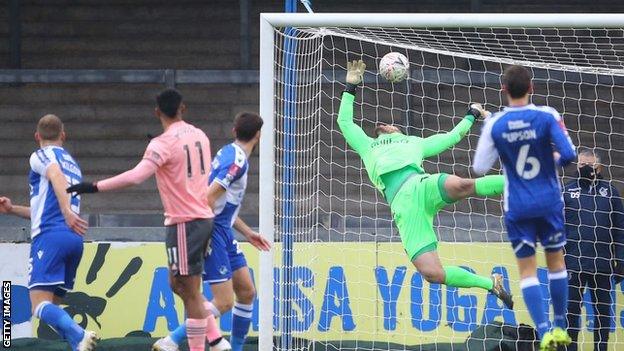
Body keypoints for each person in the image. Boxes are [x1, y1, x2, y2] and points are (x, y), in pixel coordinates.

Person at [337, 60, 513, 310]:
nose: (383, 125)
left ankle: (519, 182)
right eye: (381, 127)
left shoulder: (414, 142)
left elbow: (451, 137)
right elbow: (345, 123)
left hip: (421, 185)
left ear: (397, 130)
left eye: (388, 124)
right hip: (405, 208)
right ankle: (490, 283)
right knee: (433, 274)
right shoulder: (367, 145)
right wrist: (350, 87)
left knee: (462, 184)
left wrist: (471, 115)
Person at [67, 89, 228, 351]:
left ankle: (211, 343)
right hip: (198, 219)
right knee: (180, 285)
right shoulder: (200, 135)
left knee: (187, 289)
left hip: (186, 222)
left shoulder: (162, 144)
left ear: (157, 112)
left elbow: (136, 176)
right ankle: (214, 339)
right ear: (183, 108)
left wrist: (94, 186)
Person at [473, 65, 577, 350]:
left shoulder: (495, 123)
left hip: (518, 206)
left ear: (504, 91)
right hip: (549, 201)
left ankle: (543, 330)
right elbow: (569, 154)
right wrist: (548, 159)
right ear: (531, 88)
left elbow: (480, 167)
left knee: (527, 270)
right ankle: (560, 326)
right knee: (556, 262)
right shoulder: (547, 115)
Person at [153, 112, 271, 351]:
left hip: (223, 229)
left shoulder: (228, 152)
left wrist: (247, 233)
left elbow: (222, 203)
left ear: (234, 131)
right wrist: (201, 232)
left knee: (247, 291)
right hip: (212, 229)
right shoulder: (236, 163)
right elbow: (207, 198)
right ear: (258, 135)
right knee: (224, 301)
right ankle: (172, 340)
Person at [0, 115, 96, 351]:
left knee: (38, 306)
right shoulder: (73, 163)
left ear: (37, 136)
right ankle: (78, 344)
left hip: (51, 238)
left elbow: (54, 175)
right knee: (52, 305)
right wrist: (12, 209)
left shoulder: (42, 155)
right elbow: (43, 210)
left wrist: (66, 212)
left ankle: (79, 332)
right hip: (73, 239)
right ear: (63, 134)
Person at [563, 148, 624, 351]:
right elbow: (557, 229)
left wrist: (621, 261)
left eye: (588, 165)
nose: (584, 168)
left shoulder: (611, 192)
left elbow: (619, 229)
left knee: (603, 313)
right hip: (573, 263)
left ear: (598, 167)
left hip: (603, 265)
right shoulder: (567, 191)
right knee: (571, 312)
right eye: (580, 165)